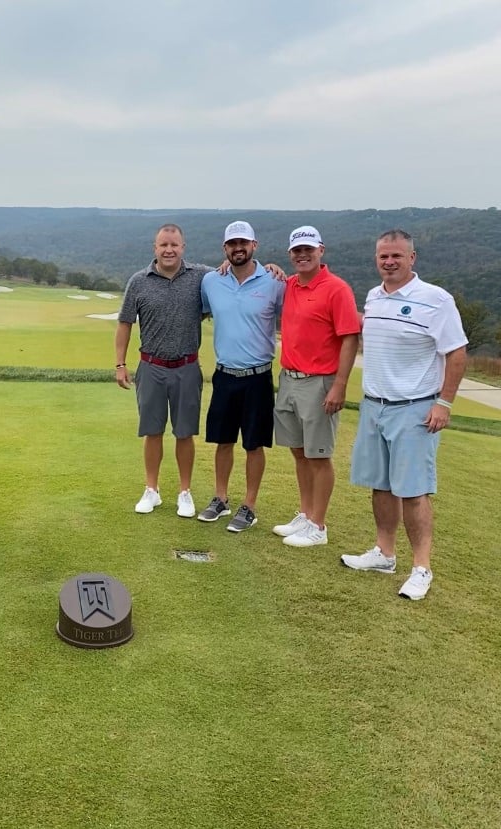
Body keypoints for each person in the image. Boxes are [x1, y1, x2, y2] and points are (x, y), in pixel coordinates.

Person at [340, 229, 468, 601]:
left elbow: (456, 354)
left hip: (414, 410)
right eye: (383, 256)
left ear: (412, 258)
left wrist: (444, 403)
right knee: (381, 485)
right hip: (375, 406)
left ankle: (421, 567)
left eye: (397, 256)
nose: (389, 262)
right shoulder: (374, 297)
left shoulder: (436, 300)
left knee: (413, 492)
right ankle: (384, 553)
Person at [271, 226, 361, 548]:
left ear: (321, 250)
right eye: (297, 251)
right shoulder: (291, 285)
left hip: (320, 382)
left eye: (309, 249)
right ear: (290, 254)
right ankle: (307, 514)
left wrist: (339, 384)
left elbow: (350, 337)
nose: (302, 255)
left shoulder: (337, 289)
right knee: (299, 452)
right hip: (289, 379)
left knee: (318, 455)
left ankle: (318, 526)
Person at [115, 224, 209, 518]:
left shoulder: (201, 277)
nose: (169, 250)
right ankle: (151, 490)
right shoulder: (139, 281)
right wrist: (120, 364)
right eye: (163, 245)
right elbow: (125, 323)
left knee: (184, 433)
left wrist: (269, 268)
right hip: (151, 367)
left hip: (187, 366)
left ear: (183, 247)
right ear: (154, 248)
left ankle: (185, 493)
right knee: (152, 431)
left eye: (174, 245)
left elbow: (233, 272)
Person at [198, 221, 285, 532]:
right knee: (222, 441)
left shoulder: (275, 282)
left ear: (254, 246)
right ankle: (221, 499)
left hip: (258, 376)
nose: (238, 249)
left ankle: (249, 506)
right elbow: (202, 307)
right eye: (232, 244)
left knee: (253, 444)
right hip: (224, 374)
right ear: (225, 249)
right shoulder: (211, 281)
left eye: (243, 243)